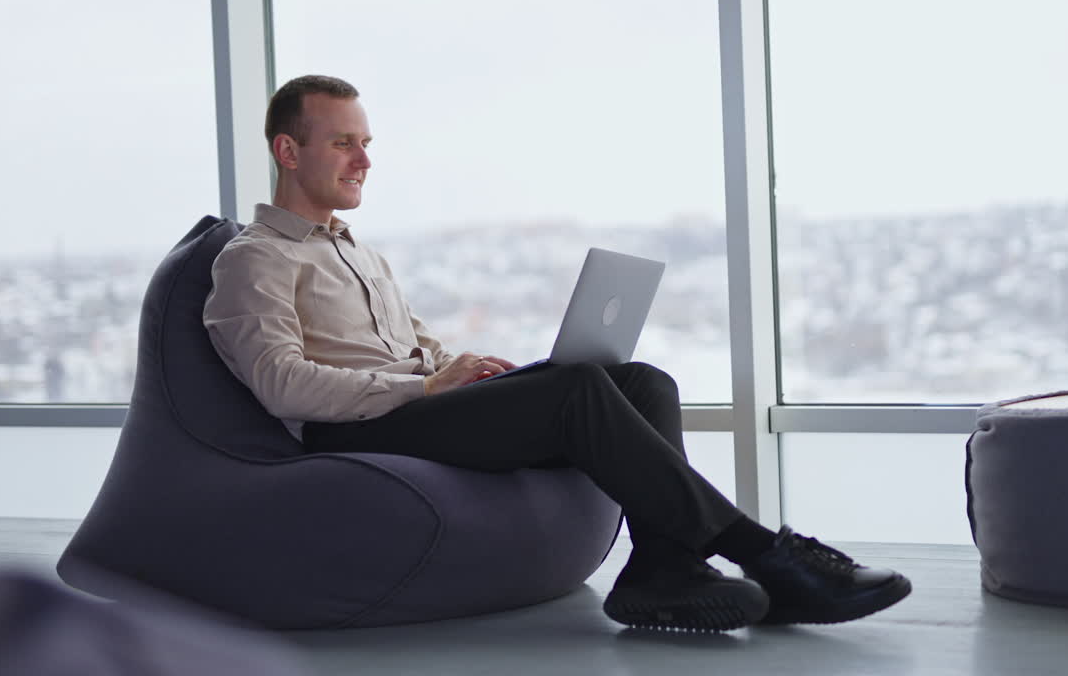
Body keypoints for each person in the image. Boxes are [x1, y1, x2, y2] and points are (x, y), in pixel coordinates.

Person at [203, 75, 912, 631]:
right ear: (287, 151)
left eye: (367, 142)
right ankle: (767, 555)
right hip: (354, 431)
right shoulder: (255, 259)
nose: (363, 160)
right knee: (576, 392)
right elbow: (279, 385)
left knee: (637, 381)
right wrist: (423, 391)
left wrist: (466, 372)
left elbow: (419, 349)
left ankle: (662, 569)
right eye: (343, 143)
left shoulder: (361, 253)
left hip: (414, 407)